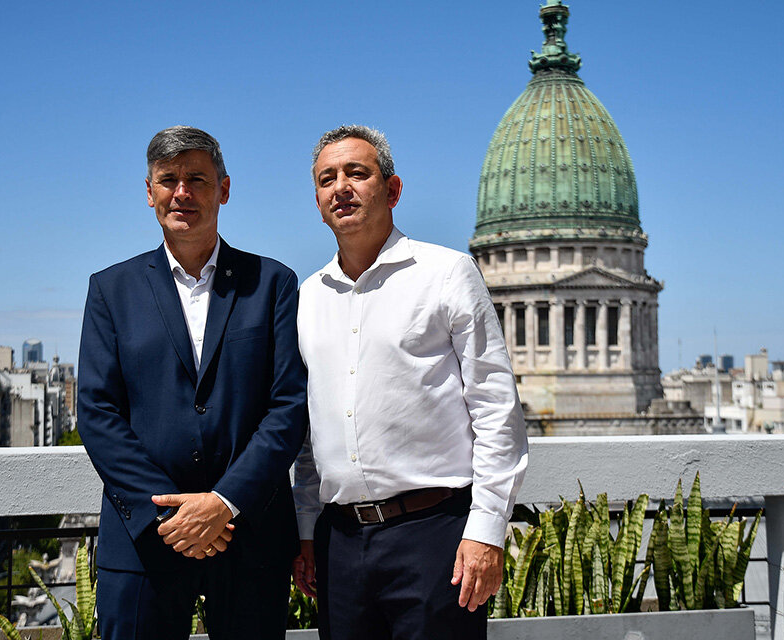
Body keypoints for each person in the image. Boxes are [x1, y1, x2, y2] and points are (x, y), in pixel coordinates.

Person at [292, 125, 529, 640]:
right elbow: (310, 433)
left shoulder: (447, 273)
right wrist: (307, 531)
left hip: (434, 537)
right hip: (339, 541)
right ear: (317, 201)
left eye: (358, 173)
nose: (342, 188)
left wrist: (487, 531)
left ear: (393, 189)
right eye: (327, 179)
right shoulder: (308, 296)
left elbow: (495, 409)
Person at [77, 125, 307, 639]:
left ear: (224, 190)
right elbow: (97, 412)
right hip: (143, 542)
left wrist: (222, 503)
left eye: (197, 179)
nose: (182, 193)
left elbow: (288, 406)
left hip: (247, 537)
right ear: (150, 191)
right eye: (169, 180)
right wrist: (170, 518)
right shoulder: (111, 290)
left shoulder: (272, 285)